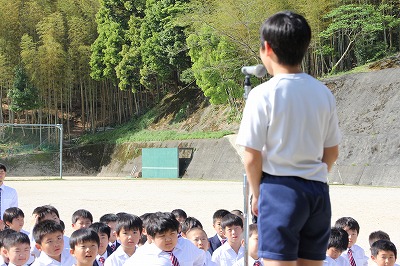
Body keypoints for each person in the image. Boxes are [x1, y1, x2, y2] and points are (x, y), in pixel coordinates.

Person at [236, 10, 341, 266]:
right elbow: (332, 152)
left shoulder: (263, 94)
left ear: (267, 48)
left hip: (280, 191)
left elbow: (251, 155)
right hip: (317, 193)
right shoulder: (323, 93)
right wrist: (313, 175)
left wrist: (258, 193)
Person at [124, 212, 205, 265]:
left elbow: (199, 260)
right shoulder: (143, 255)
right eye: (162, 236)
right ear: (152, 237)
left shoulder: (186, 245)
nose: (168, 239)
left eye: (172, 234)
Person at [0, 164, 18, 230]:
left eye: (2, 172)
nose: (0, 174)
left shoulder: (12, 191)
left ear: (5, 174)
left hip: (7, 226)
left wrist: (4, 224)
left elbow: (14, 211)